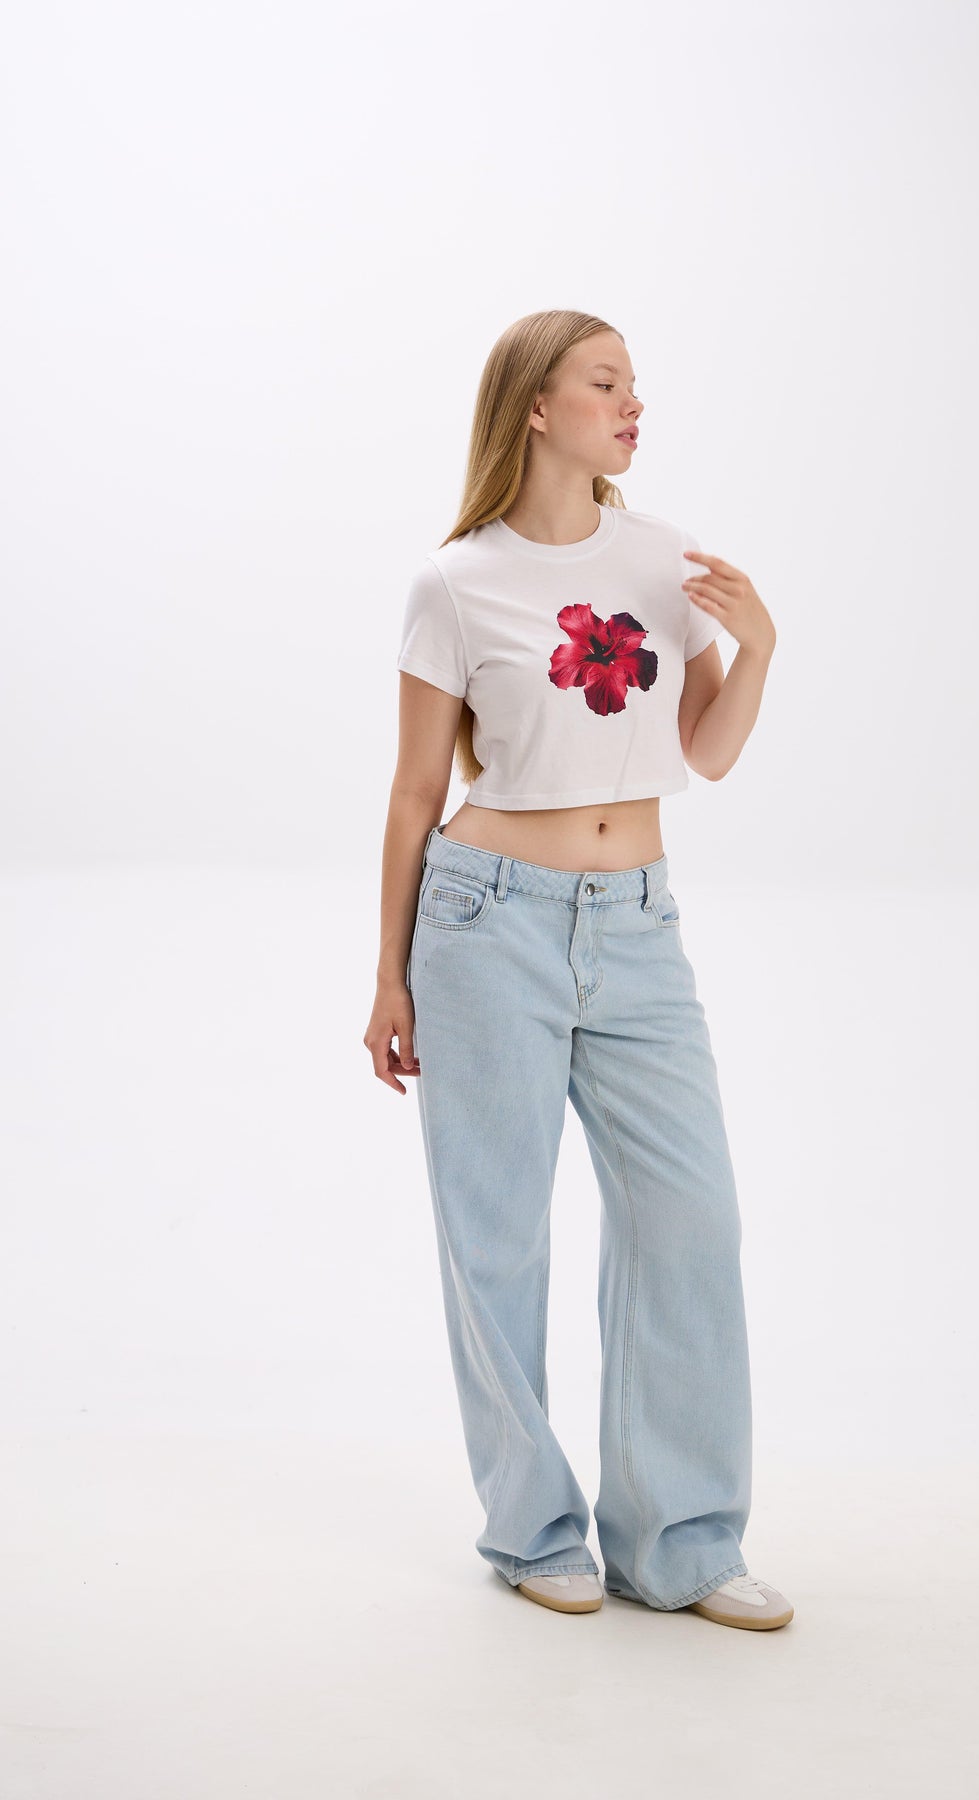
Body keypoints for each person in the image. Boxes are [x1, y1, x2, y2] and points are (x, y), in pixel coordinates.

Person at [363, 309, 792, 1632]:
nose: (633, 405)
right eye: (607, 383)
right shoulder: (456, 583)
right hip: (487, 921)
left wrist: (758, 644)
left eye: (637, 387)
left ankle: (680, 1540)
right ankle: (532, 1524)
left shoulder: (664, 559)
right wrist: (390, 976)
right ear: (537, 408)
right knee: (495, 1236)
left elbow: (705, 752)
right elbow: (417, 789)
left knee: (690, 1220)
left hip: (639, 928)